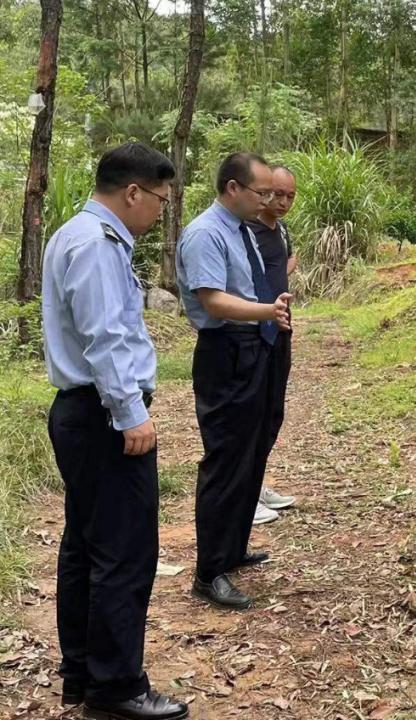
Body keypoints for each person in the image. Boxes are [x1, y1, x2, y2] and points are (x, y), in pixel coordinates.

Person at [42, 142, 188, 719]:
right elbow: (105, 338)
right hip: (102, 415)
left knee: (86, 546)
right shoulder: (98, 246)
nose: (159, 212)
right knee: (124, 553)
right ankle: (116, 687)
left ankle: (82, 671)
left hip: (79, 411)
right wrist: (131, 414)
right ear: (132, 192)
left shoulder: (71, 234)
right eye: (158, 200)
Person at [176, 152, 292, 610]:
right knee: (226, 458)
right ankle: (208, 572)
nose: (268, 199)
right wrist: (267, 312)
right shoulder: (206, 233)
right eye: (261, 191)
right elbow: (214, 300)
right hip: (227, 351)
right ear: (232, 188)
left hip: (256, 345)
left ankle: (232, 547)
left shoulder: (242, 229)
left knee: (253, 446)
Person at [246, 165, 298, 525]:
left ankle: (255, 482)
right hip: (253, 335)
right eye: (276, 193)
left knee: (272, 413)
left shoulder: (280, 231)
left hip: (281, 331)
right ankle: (244, 496)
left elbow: (281, 265)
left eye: (289, 196)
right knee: (251, 415)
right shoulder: (245, 232)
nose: (281, 202)